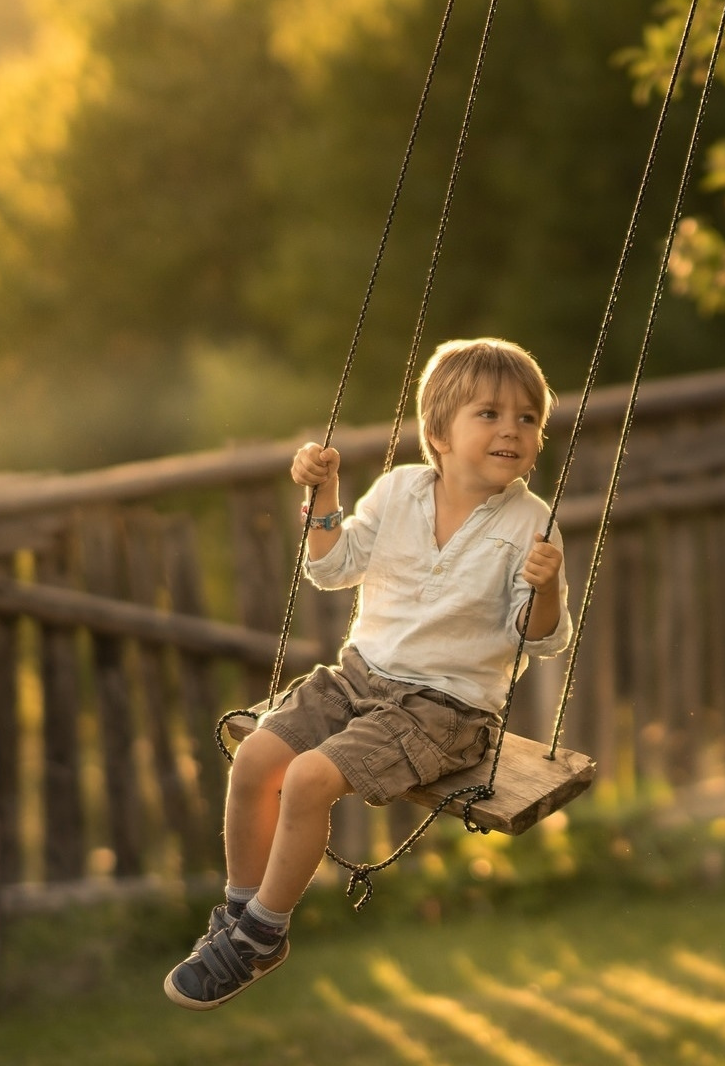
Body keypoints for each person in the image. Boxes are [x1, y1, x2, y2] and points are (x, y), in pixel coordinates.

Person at [164, 338, 574, 1010]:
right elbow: (329, 569)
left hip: (445, 710)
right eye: (491, 414)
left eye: (528, 418)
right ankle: (239, 916)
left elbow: (542, 640)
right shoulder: (398, 490)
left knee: (306, 779)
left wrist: (548, 587)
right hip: (357, 677)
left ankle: (265, 933)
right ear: (439, 432)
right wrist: (322, 492)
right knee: (255, 759)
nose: (512, 429)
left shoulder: (533, 526)